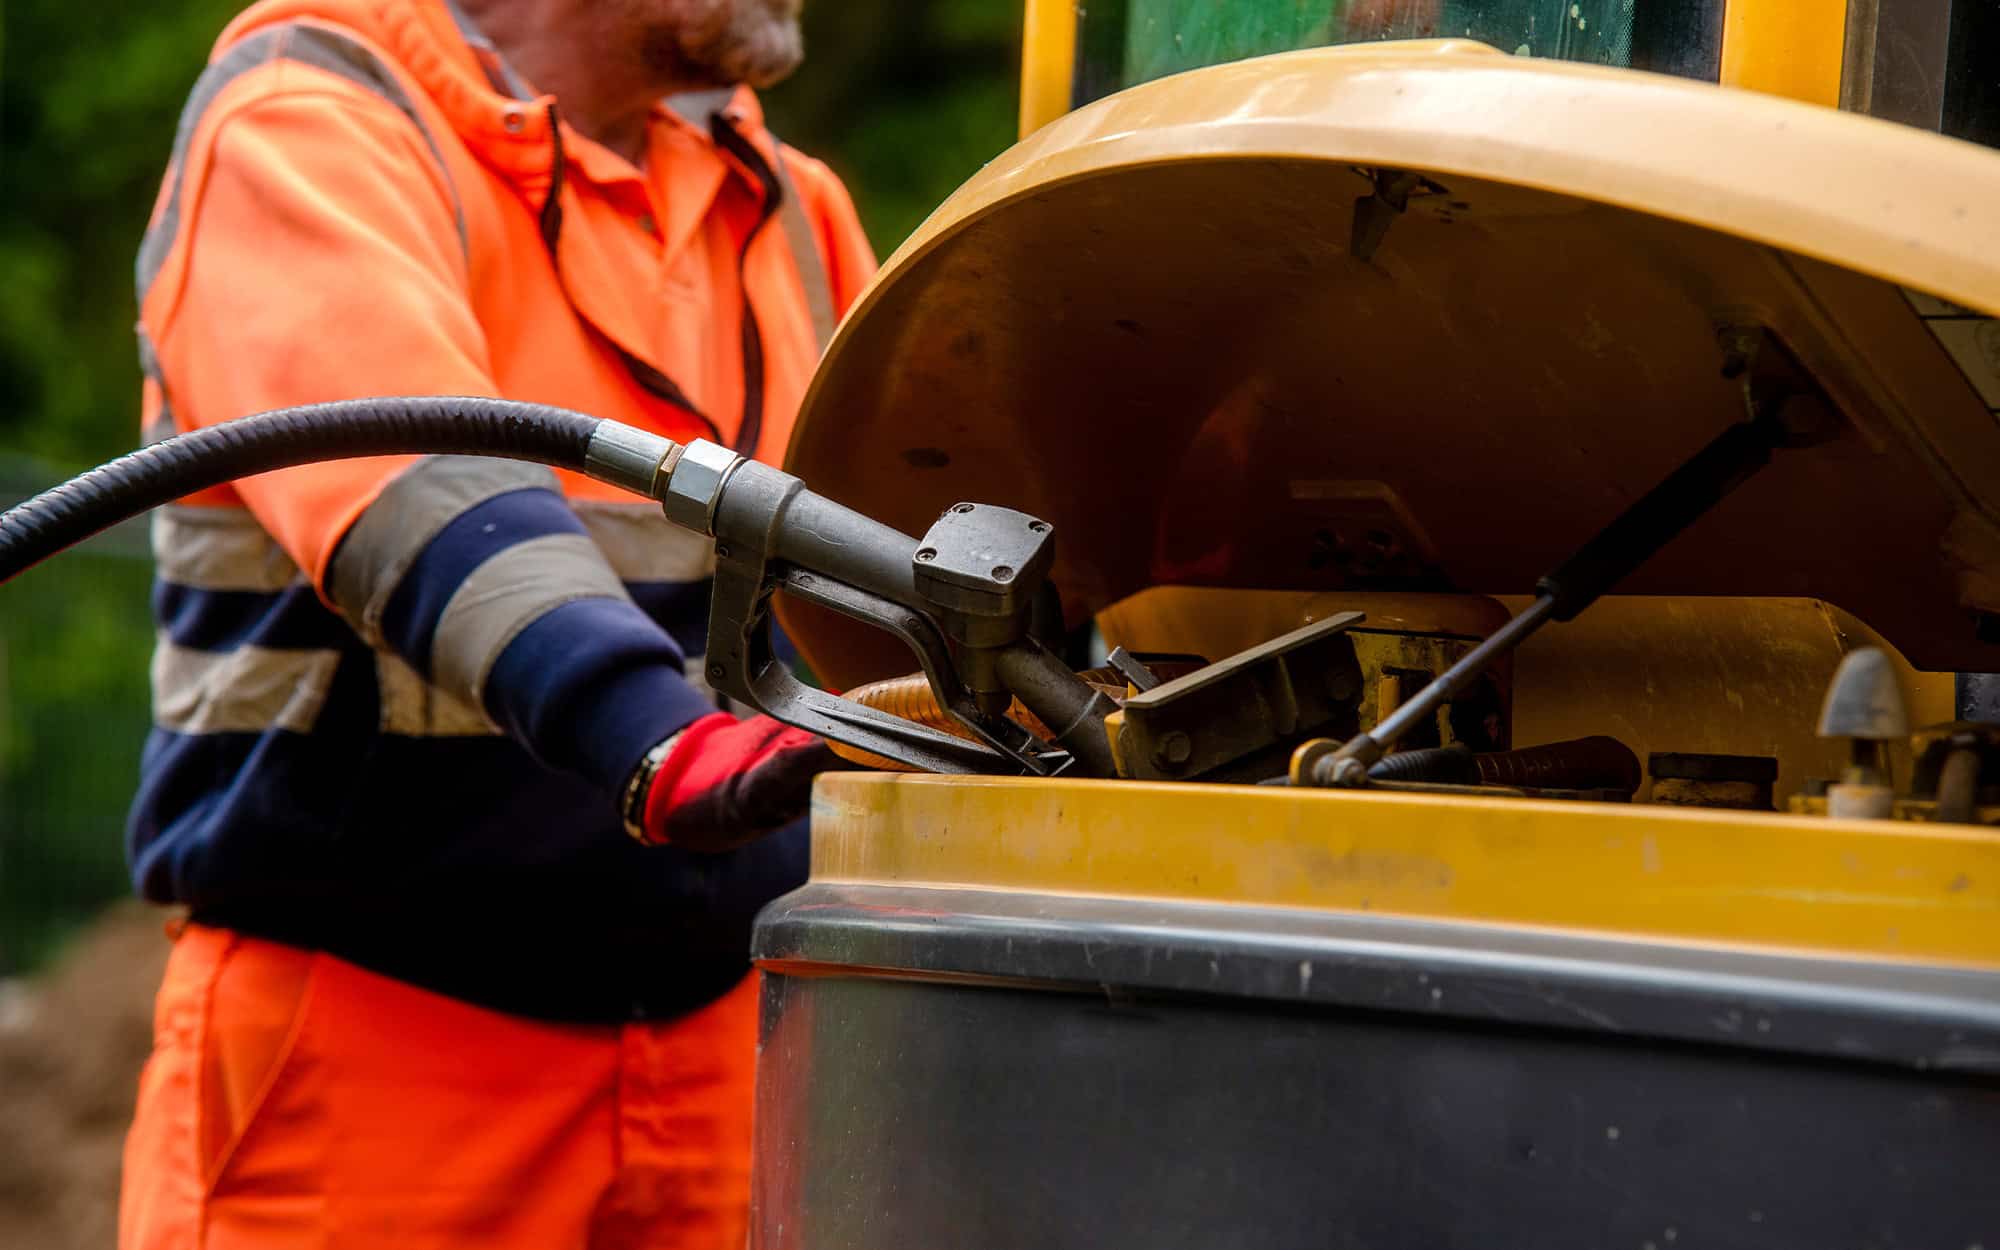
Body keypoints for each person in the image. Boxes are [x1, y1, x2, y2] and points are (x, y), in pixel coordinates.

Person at [118, 0, 875, 1244]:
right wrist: (650, 729)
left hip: (734, 1041)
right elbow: (417, 485)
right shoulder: (305, 118)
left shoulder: (789, 206)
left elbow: (914, 562)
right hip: (370, 1059)